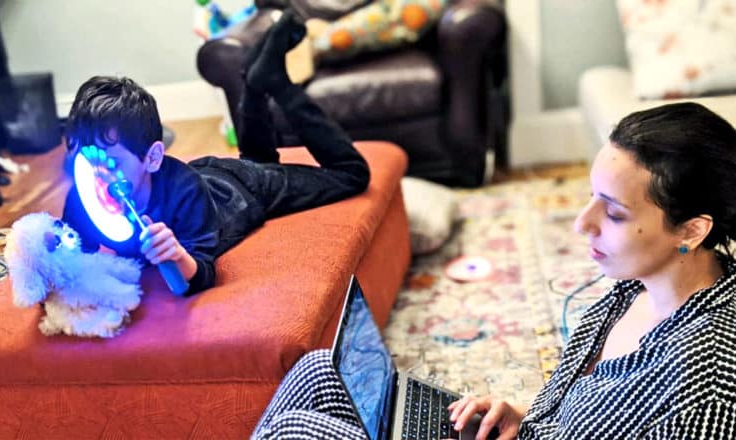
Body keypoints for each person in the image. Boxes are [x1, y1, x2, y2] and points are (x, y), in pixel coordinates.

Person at [252, 101, 736, 439]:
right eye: (591, 197)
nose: (581, 223)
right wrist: (522, 418)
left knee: (303, 429)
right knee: (316, 370)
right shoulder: (634, 285)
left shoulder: (706, 382)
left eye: (613, 213)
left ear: (691, 230)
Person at [61, 10, 370, 296]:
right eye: (86, 158)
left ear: (152, 158)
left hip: (242, 190)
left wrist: (177, 255)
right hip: (208, 180)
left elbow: (200, 275)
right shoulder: (83, 197)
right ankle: (254, 80)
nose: (98, 174)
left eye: (111, 161)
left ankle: (277, 83)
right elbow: (73, 259)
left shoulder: (183, 194)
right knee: (257, 157)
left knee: (351, 174)